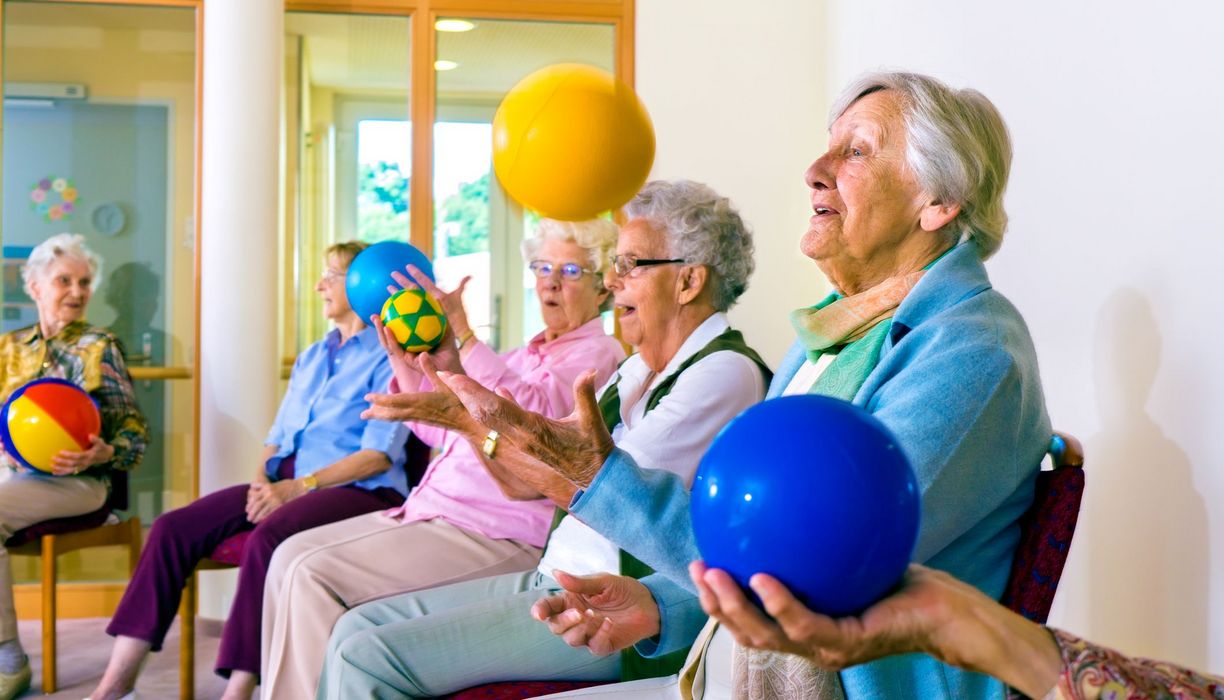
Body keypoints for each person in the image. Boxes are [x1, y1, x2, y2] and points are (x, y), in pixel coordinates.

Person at [443, 71, 1050, 699]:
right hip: (741, 666)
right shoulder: (837, 330)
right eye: (828, 145)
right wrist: (659, 607)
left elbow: (825, 559)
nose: (816, 168)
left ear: (938, 203)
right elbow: (760, 540)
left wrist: (595, 477)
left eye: (857, 151)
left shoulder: (971, 348)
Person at [314, 181, 771, 699]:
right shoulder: (637, 370)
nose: (613, 283)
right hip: (554, 574)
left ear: (689, 281)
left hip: (614, 604)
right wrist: (457, 385)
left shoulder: (722, 373)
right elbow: (520, 484)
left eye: (629, 266)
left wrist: (470, 421)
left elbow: (599, 492)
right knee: (352, 628)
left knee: (366, 658)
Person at [258, 218, 629, 699]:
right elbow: (432, 423)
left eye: (571, 270)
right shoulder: (518, 356)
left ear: (603, 290)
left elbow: (527, 420)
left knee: (312, 576)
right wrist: (409, 359)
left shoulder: (599, 355)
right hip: (433, 513)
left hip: (498, 531)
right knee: (287, 556)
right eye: (542, 267)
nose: (550, 281)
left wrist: (467, 341)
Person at [86, 241, 411, 700]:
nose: (319, 284)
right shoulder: (312, 357)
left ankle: (239, 690)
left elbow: (379, 455)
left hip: (359, 488)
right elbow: (276, 439)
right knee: (171, 528)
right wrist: (262, 484)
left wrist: (298, 488)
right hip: (290, 481)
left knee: (268, 538)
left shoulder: (388, 357)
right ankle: (115, 687)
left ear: (360, 285)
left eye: (331, 275)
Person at [683, 562, 1224, 700]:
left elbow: (807, 555)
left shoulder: (970, 343)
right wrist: (661, 607)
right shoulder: (817, 347)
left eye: (633, 267)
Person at [0, 233, 147, 700]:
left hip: (82, 482)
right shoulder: (7, 349)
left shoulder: (100, 346)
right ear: (34, 285)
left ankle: (8, 663)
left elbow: (134, 435)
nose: (78, 292)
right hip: (15, 476)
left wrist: (103, 452)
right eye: (64, 280)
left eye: (84, 282)